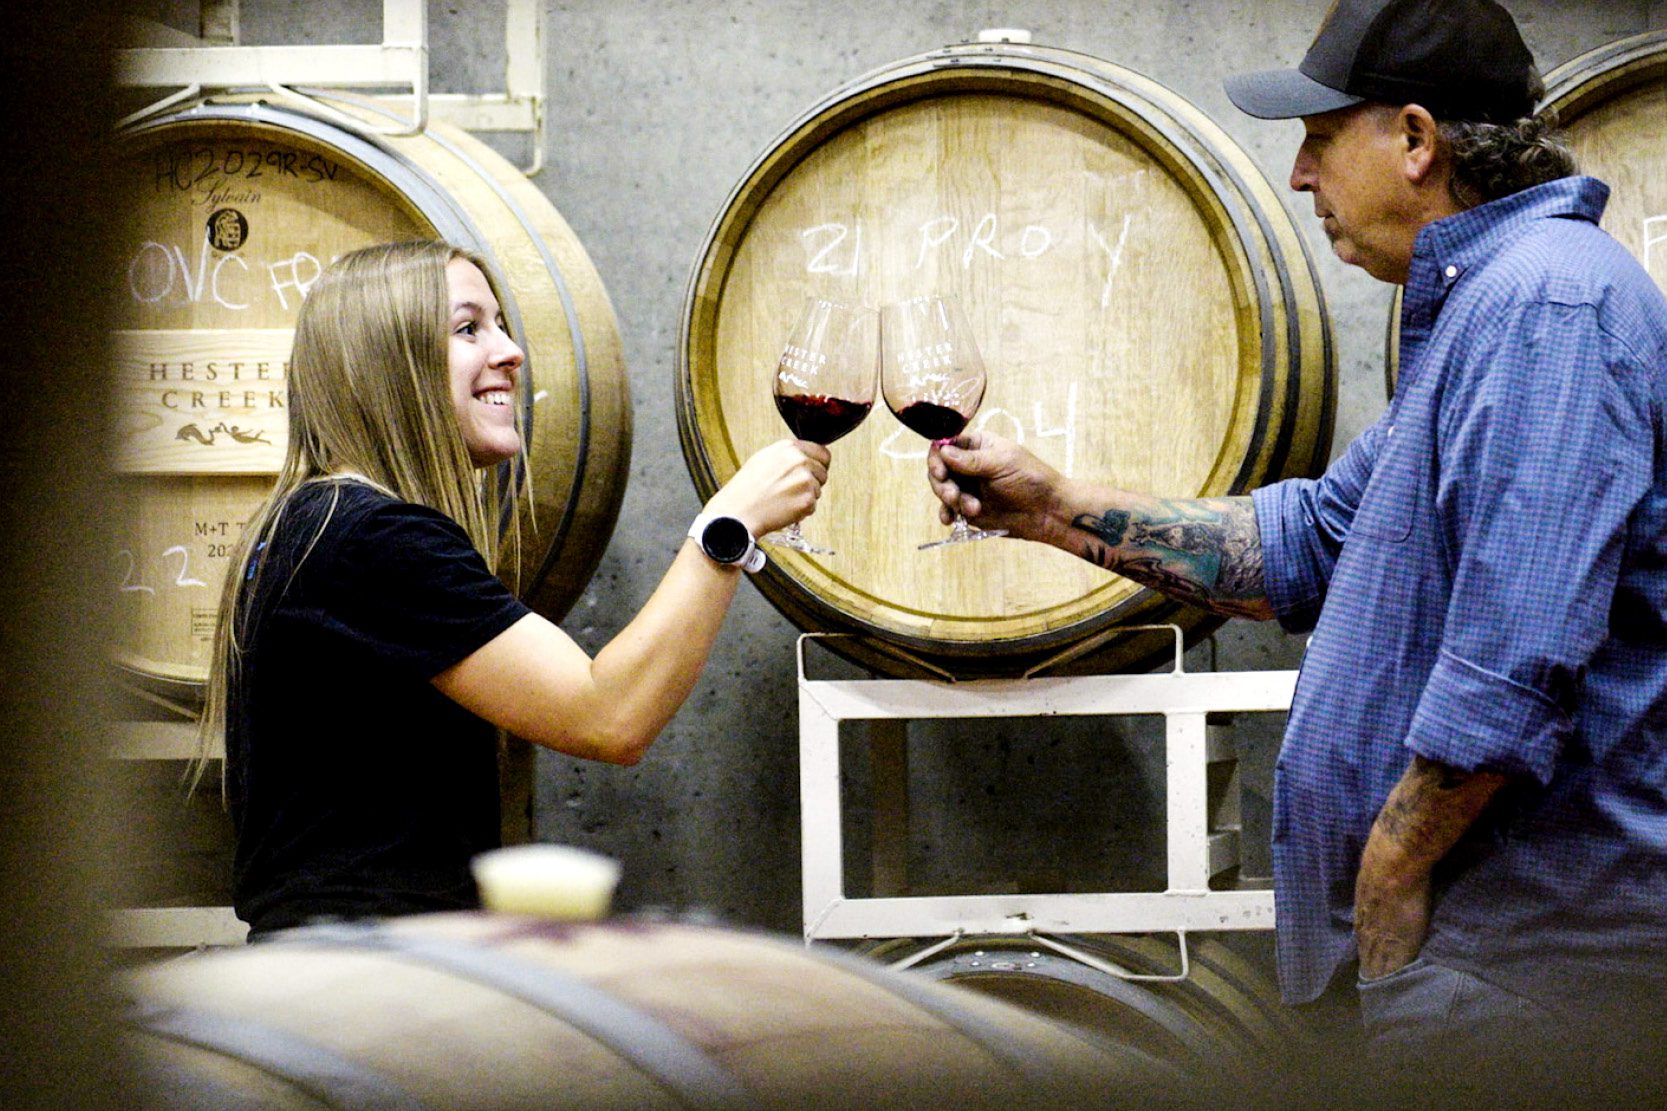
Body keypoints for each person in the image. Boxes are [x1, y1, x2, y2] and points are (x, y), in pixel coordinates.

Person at [927, 0, 1667, 1100]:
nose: (1298, 175)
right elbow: (1312, 543)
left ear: (1415, 140)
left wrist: (1389, 866)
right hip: (1478, 957)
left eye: (1321, 137)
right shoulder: (1487, 309)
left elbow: (1513, 657)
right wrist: (1048, 505)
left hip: (1522, 963)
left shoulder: (1545, 304)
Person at [195, 240, 829, 940]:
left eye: (499, 324)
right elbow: (609, 715)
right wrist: (726, 526)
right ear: (387, 362)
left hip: (338, 963)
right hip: (368, 980)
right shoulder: (373, 537)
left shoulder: (309, 521)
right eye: (468, 328)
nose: (509, 351)